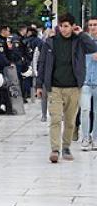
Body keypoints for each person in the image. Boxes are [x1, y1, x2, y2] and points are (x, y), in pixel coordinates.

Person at [36, 13, 97, 162]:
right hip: (55, 87)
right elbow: (42, 63)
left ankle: (66, 147)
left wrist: (81, 34)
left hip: (73, 87)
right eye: (61, 26)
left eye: (66, 26)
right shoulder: (50, 42)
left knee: (70, 121)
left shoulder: (79, 42)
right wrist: (39, 84)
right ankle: (55, 150)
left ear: (72, 26)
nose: (63, 29)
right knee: (56, 119)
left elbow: (93, 47)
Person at [80, 18, 97, 150]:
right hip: (85, 81)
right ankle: (85, 137)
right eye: (90, 25)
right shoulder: (83, 42)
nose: (93, 27)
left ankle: (95, 137)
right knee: (85, 110)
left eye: (95, 25)